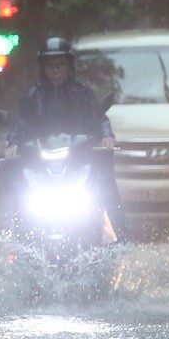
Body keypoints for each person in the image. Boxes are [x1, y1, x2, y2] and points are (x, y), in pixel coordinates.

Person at [18, 36, 118, 215]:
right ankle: (21, 230)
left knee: (107, 188)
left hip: (79, 158)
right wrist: (12, 143)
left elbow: (98, 117)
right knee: (19, 188)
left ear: (69, 66)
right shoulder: (32, 96)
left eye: (60, 65)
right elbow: (22, 123)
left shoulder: (83, 93)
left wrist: (106, 135)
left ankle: (118, 236)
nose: (55, 71)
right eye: (50, 66)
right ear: (43, 68)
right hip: (41, 162)